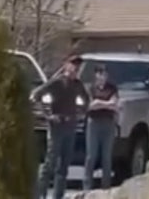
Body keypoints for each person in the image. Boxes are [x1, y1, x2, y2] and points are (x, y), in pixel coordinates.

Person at [34, 55, 89, 199]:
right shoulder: (57, 83)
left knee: (64, 166)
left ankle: (58, 196)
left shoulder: (77, 85)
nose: (76, 68)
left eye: (78, 66)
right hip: (56, 126)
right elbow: (36, 95)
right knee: (49, 163)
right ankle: (40, 194)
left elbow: (86, 101)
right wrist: (48, 115)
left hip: (70, 126)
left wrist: (80, 113)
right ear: (66, 65)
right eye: (73, 64)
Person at [83, 63, 119, 191]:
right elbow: (90, 106)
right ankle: (87, 187)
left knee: (106, 156)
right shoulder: (90, 89)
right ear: (96, 75)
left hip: (108, 123)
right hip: (94, 123)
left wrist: (100, 103)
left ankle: (106, 187)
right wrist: (106, 103)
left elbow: (115, 105)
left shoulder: (112, 88)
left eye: (105, 74)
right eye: (100, 73)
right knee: (91, 156)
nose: (103, 76)